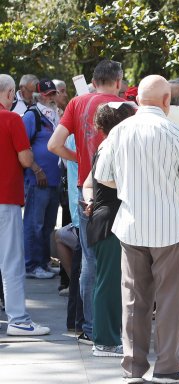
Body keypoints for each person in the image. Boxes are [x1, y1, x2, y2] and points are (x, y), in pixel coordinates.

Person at [94, 75, 179, 383]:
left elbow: (102, 176)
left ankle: (133, 367)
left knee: (133, 299)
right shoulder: (174, 132)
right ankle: (168, 365)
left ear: (139, 99)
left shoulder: (118, 131)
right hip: (170, 224)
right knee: (171, 298)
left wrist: (129, 188)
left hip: (131, 225)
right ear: (167, 100)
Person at [47, 59, 125, 346]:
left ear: (93, 80)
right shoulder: (125, 108)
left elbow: (53, 145)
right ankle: (114, 326)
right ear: (118, 81)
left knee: (90, 260)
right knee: (122, 258)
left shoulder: (77, 104)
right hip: (121, 189)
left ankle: (91, 326)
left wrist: (80, 159)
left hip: (87, 188)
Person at [82, 102, 136, 357]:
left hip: (107, 220)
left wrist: (92, 201)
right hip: (110, 222)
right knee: (109, 283)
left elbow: (88, 184)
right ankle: (104, 341)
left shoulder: (107, 146)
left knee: (110, 282)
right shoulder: (113, 147)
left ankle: (108, 337)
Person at [0, 73, 51, 336]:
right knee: (11, 261)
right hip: (5, 198)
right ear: (10, 94)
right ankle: (18, 319)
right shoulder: (11, 119)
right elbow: (24, 158)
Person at [22, 79, 61, 280]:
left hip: (53, 180)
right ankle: (31, 265)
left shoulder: (54, 115)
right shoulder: (32, 116)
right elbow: (22, 147)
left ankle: (43, 263)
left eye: (53, 93)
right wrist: (37, 170)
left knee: (47, 225)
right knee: (33, 224)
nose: (52, 97)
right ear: (39, 96)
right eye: (48, 94)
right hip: (38, 180)